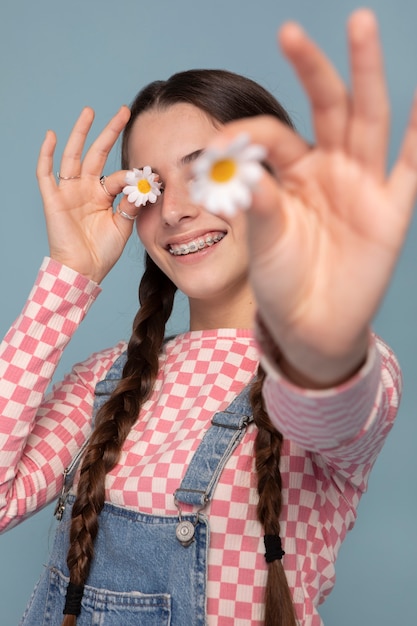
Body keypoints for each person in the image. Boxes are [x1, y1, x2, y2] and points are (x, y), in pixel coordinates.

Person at [1, 8, 416, 626]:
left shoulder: (339, 365)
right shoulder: (106, 381)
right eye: (150, 187)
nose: (175, 212)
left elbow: (333, 402)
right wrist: (69, 275)